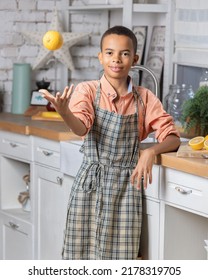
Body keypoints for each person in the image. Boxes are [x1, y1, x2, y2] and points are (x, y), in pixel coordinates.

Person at [40, 25, 180, 260]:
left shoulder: (145, 98)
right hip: (90, 185)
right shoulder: (88, 90)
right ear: (100, 57)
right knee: (80, 258)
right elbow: (81, 127)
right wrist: (64, 112)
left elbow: (173, 138)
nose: (117, 59)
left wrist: (149, 152)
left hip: (127, 189)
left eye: (124, 53)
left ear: (134, 58)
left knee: (120, 261)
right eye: (109, 52)